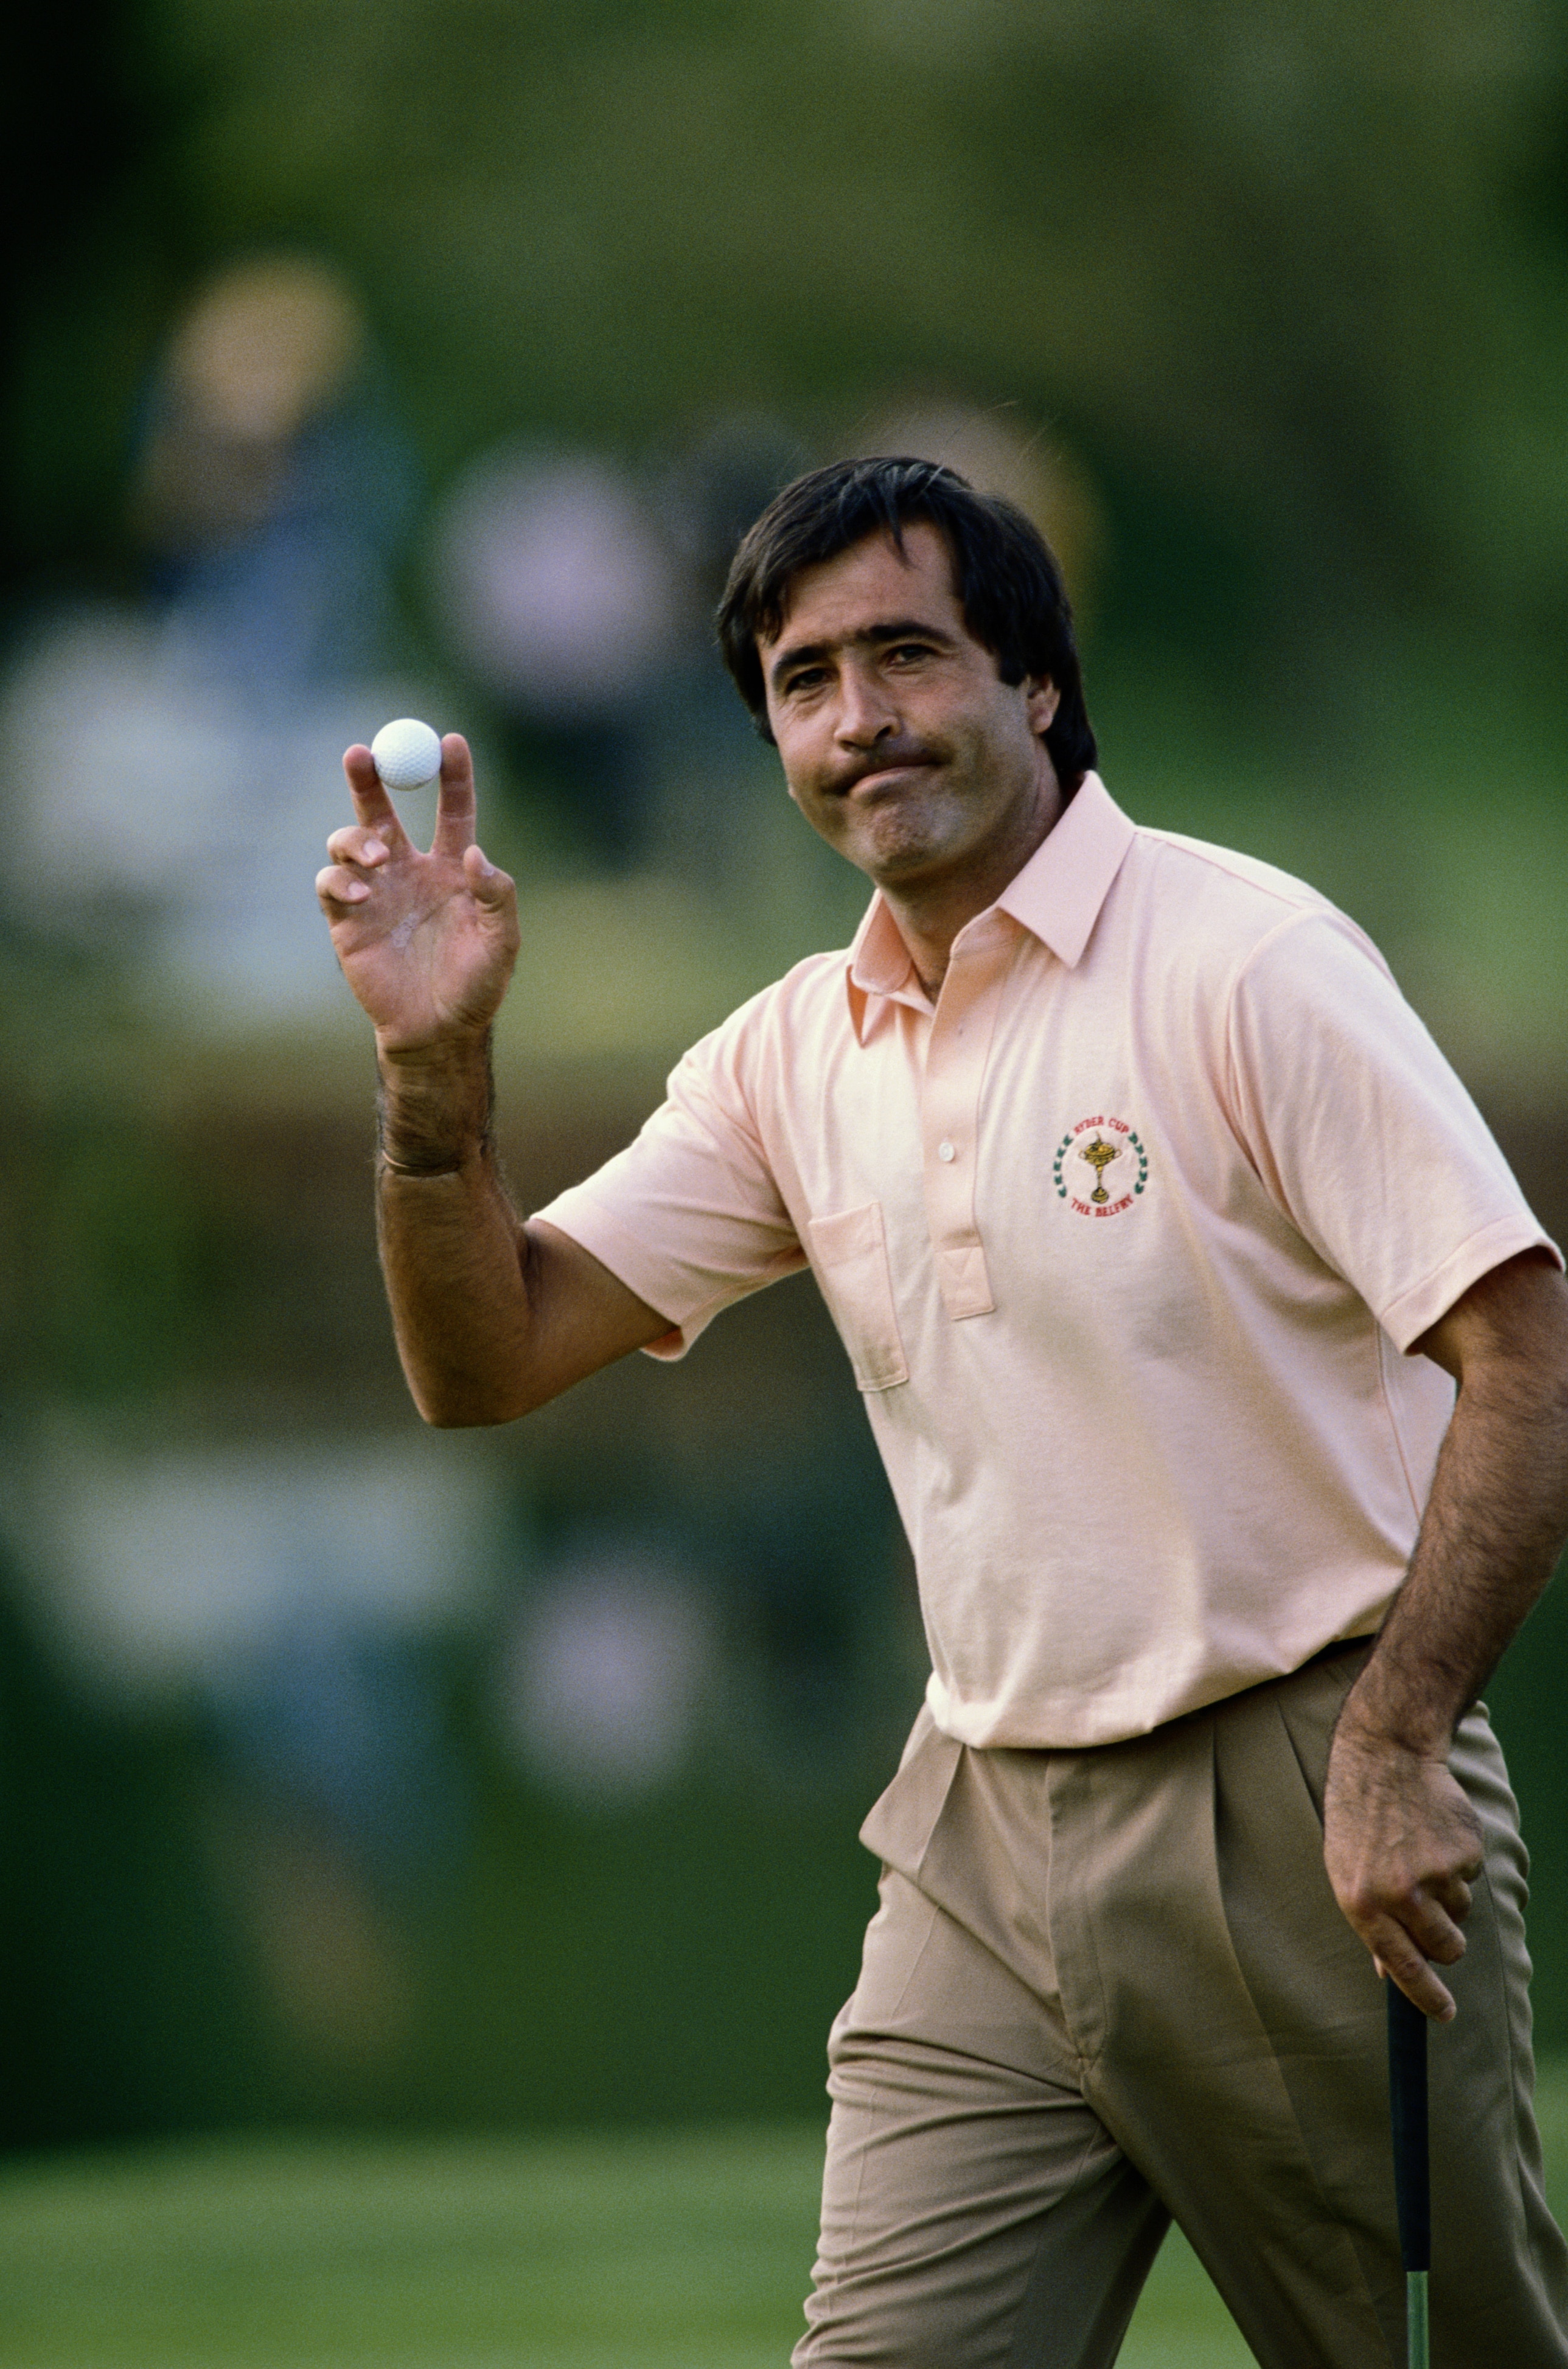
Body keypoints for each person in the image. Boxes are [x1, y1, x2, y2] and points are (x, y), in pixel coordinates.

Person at [317, 457, 1568, 2367]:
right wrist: (434, 1072)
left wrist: (1397, 1739)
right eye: (803, 684)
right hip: (980, 1843)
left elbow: (1528, 1353)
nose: (857, 721)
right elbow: (484, 1362)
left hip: (1307, 1804)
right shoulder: (787, 1055)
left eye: (906, 655)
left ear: (1036, 684)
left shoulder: (1248, 963)